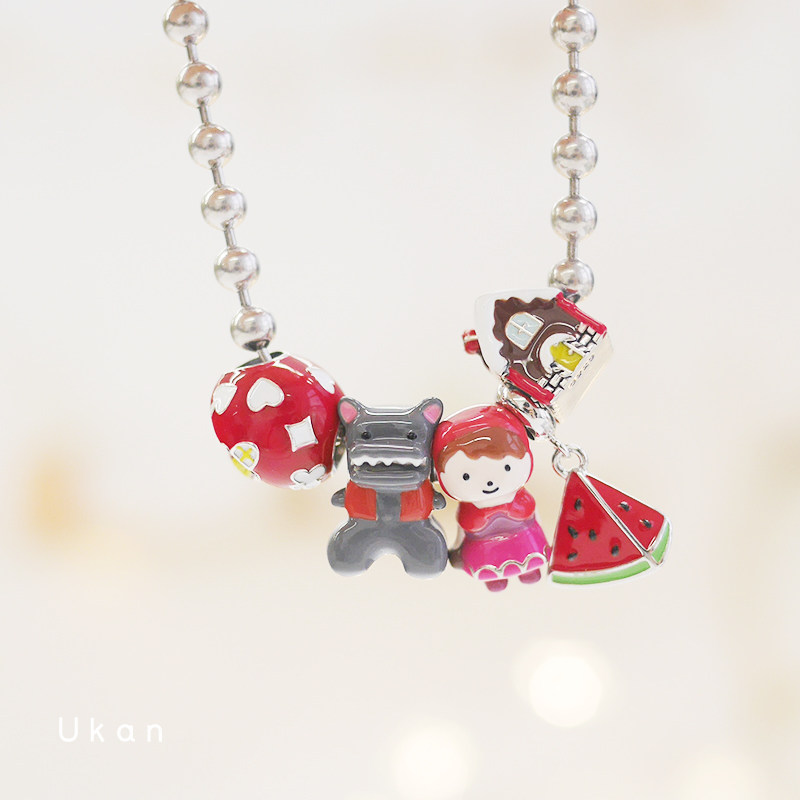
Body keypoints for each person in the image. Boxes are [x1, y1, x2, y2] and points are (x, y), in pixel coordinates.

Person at [432, 405, 550, 592]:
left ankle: (529, 570)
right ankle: (493, 577)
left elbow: (536, 518)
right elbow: (463, 532)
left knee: (529, 557)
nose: (489, 482)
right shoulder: (469, 508)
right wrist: (458, 548)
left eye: (506, 467)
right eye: (466, 476)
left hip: (523, 538)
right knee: (489, 568)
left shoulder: (520, 497)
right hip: (485, 548)